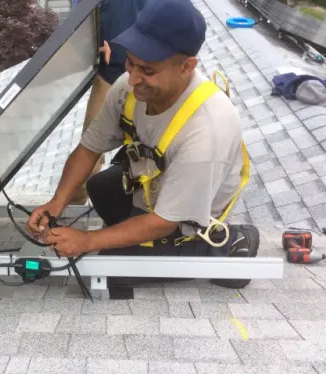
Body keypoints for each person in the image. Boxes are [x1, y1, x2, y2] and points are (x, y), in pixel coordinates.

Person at [27, 0, 259, 289]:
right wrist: (57, 202)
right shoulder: (129, 88)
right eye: (131, 62)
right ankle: (134, 235)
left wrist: (87, 240)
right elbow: (89, 148)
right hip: (156, 190)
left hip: (187, 219)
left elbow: (164, 221)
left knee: (108, 272)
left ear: (186, 67)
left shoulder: (207, 128)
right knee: (100, 187)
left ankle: (230, 241)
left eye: (147, 70)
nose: (133, 78)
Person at [69, 0, 147, 204]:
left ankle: (147, 209)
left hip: (150, 74)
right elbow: (81, 11)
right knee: (91, 143)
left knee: (151, 145)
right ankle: (73, 207)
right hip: (110, 74)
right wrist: (93, 40)